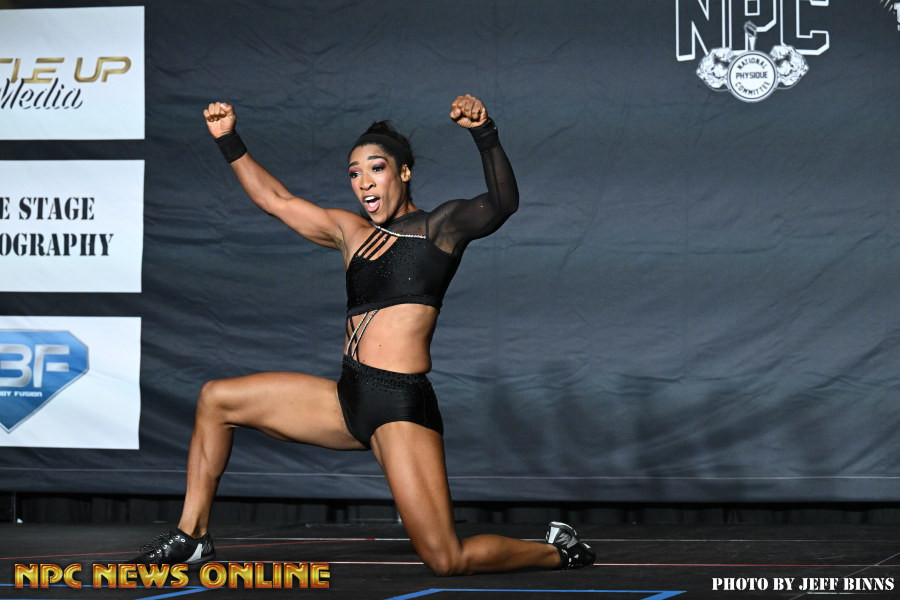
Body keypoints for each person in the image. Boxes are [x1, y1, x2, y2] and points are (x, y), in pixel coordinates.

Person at [129, 94, 595, 575]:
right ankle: (193, 535)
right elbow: (276, 200)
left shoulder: (437, 229)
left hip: (399, 406)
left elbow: (502, 203)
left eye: (376, 169)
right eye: (354, 173)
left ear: (404, 173)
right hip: (347, 399)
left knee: (446, 559)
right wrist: (228, 140)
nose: (364, 182)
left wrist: (484, 132)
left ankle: (557, 549)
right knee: (216, 399)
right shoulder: (350, 233)